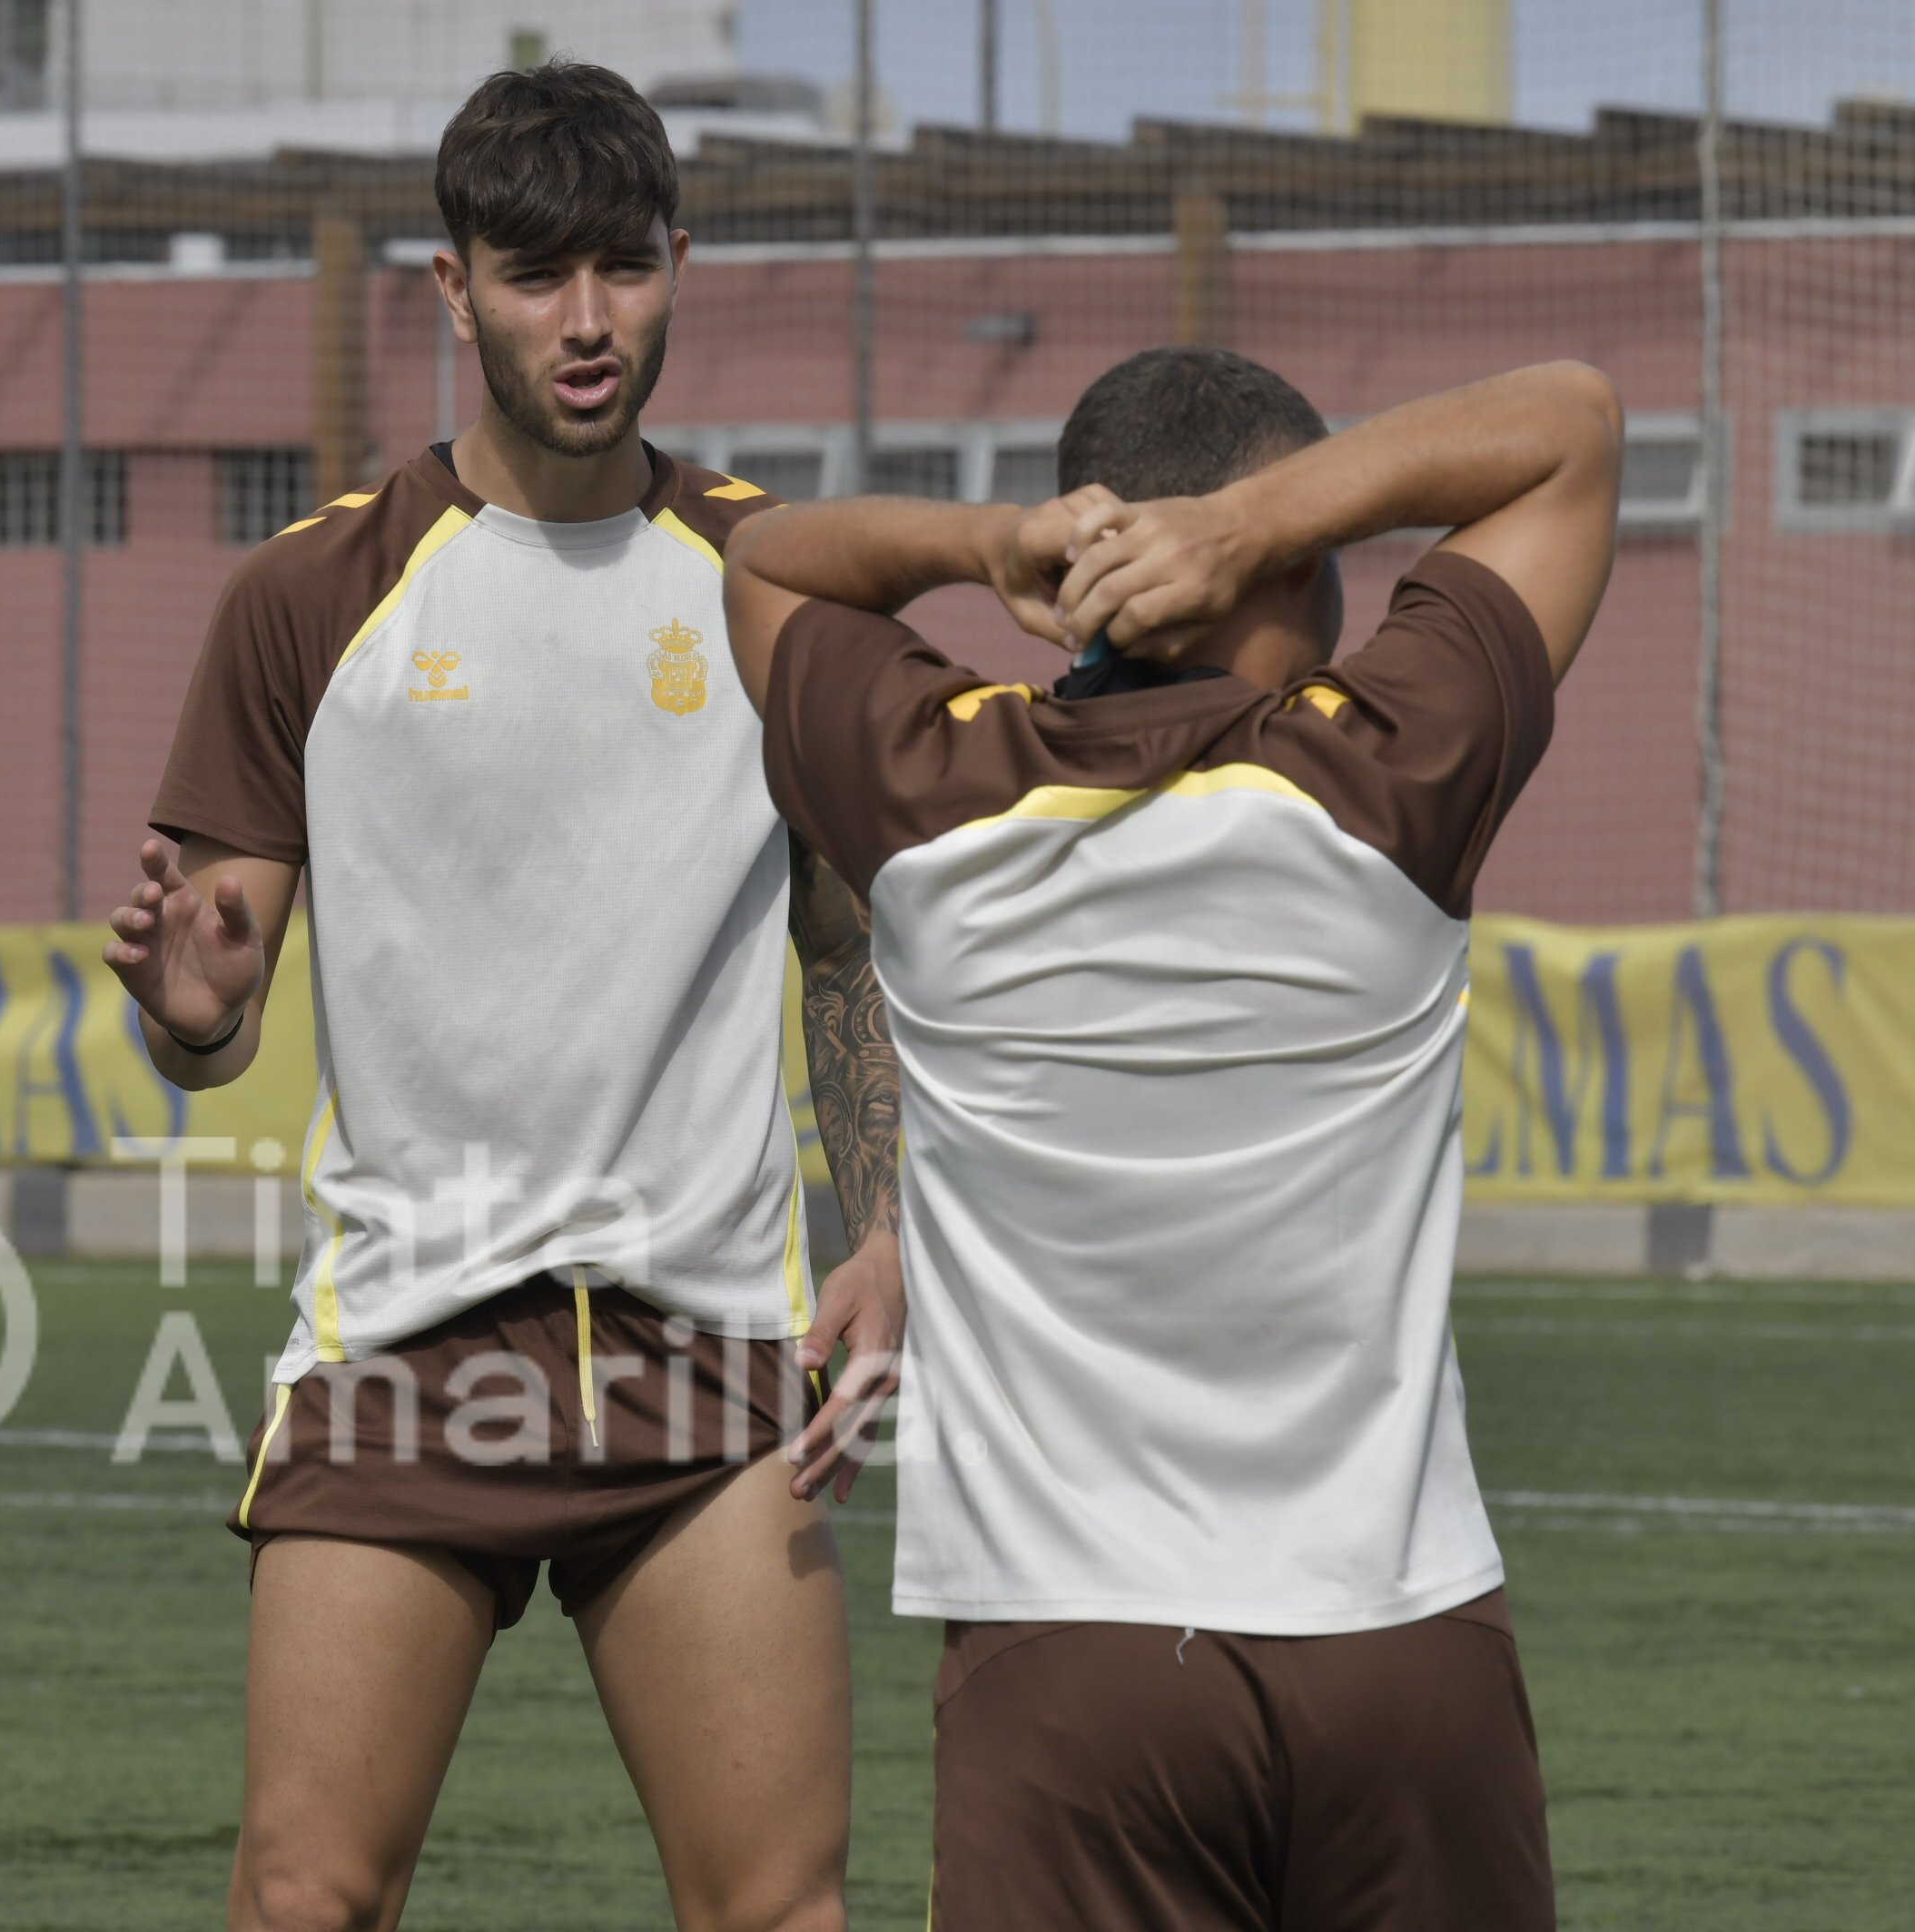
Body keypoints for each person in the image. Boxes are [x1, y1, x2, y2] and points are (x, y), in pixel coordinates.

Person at [102, 60, 900, 1932]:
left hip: (701, 1346)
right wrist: (197, 1006)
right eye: (536, 276)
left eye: (623, 267)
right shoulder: (310, 595)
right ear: (449, 288)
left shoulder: (778, 582)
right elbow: (195, 1021)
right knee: (304, 1891)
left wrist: (883, 1226)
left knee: (780, 1909)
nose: (590, 319)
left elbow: (847, 944)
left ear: (679, 262)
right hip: (409, 1343)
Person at [723, 349, 1624, 1930]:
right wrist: (1262, 517)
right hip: (1397, 1641)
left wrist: (993, 550)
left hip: (1066, 1665)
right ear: (1295, 571)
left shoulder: (936, 793)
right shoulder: (1390, 772)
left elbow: (761, 561)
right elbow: (1573, 429)